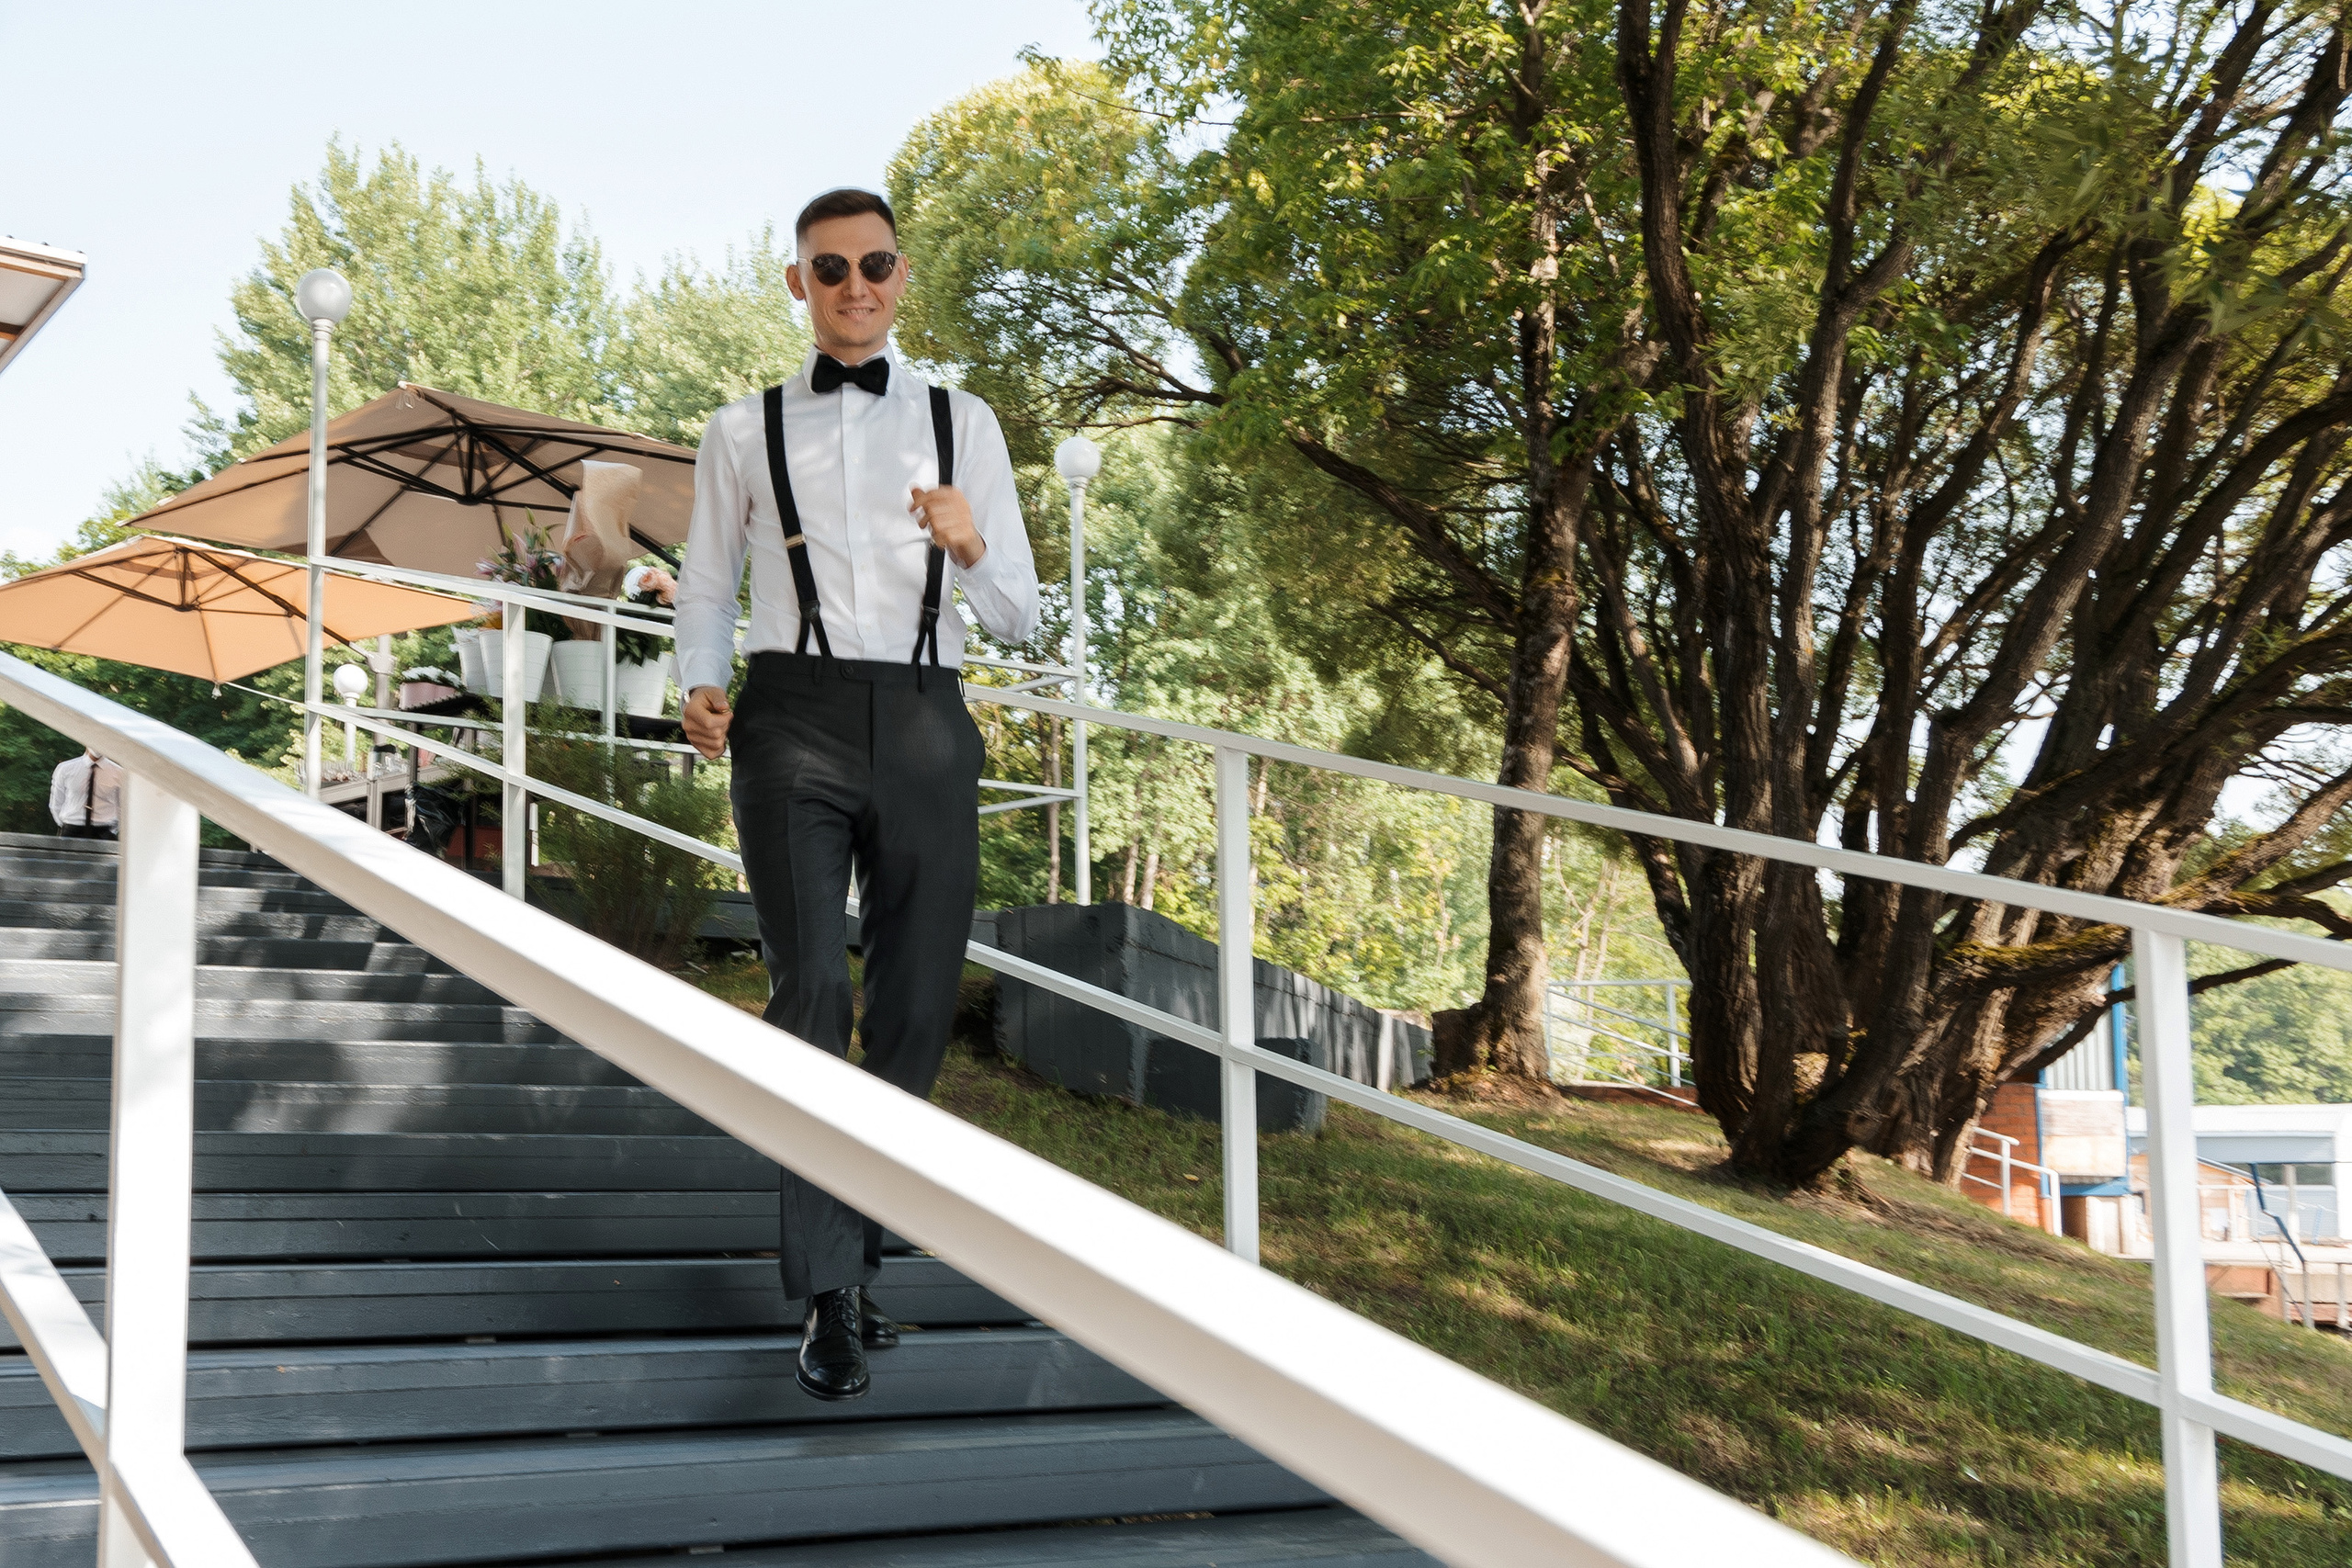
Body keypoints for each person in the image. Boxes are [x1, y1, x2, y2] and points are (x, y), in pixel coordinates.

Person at [673, 187, 1040, 1403]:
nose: (854, 285)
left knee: (920, 1001)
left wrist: (971, 543)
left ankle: (861, 1239)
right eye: (829, 268)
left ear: (900, 273)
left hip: (930, 719)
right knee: (812, 985)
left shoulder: (962, 419)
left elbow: (1024, 617)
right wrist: (699, 681)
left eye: (874, 263)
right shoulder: (742, 428)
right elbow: (705, 581)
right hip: (790, 719)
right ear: (799, 283)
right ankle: (830, 1292)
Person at [48, 748, 121, 840]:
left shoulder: (119, 773)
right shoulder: (65, 769)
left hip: (104, 832)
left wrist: (112, 830)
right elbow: (56, 804)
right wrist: (65, 825)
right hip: (71, 831)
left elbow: (122, 808)